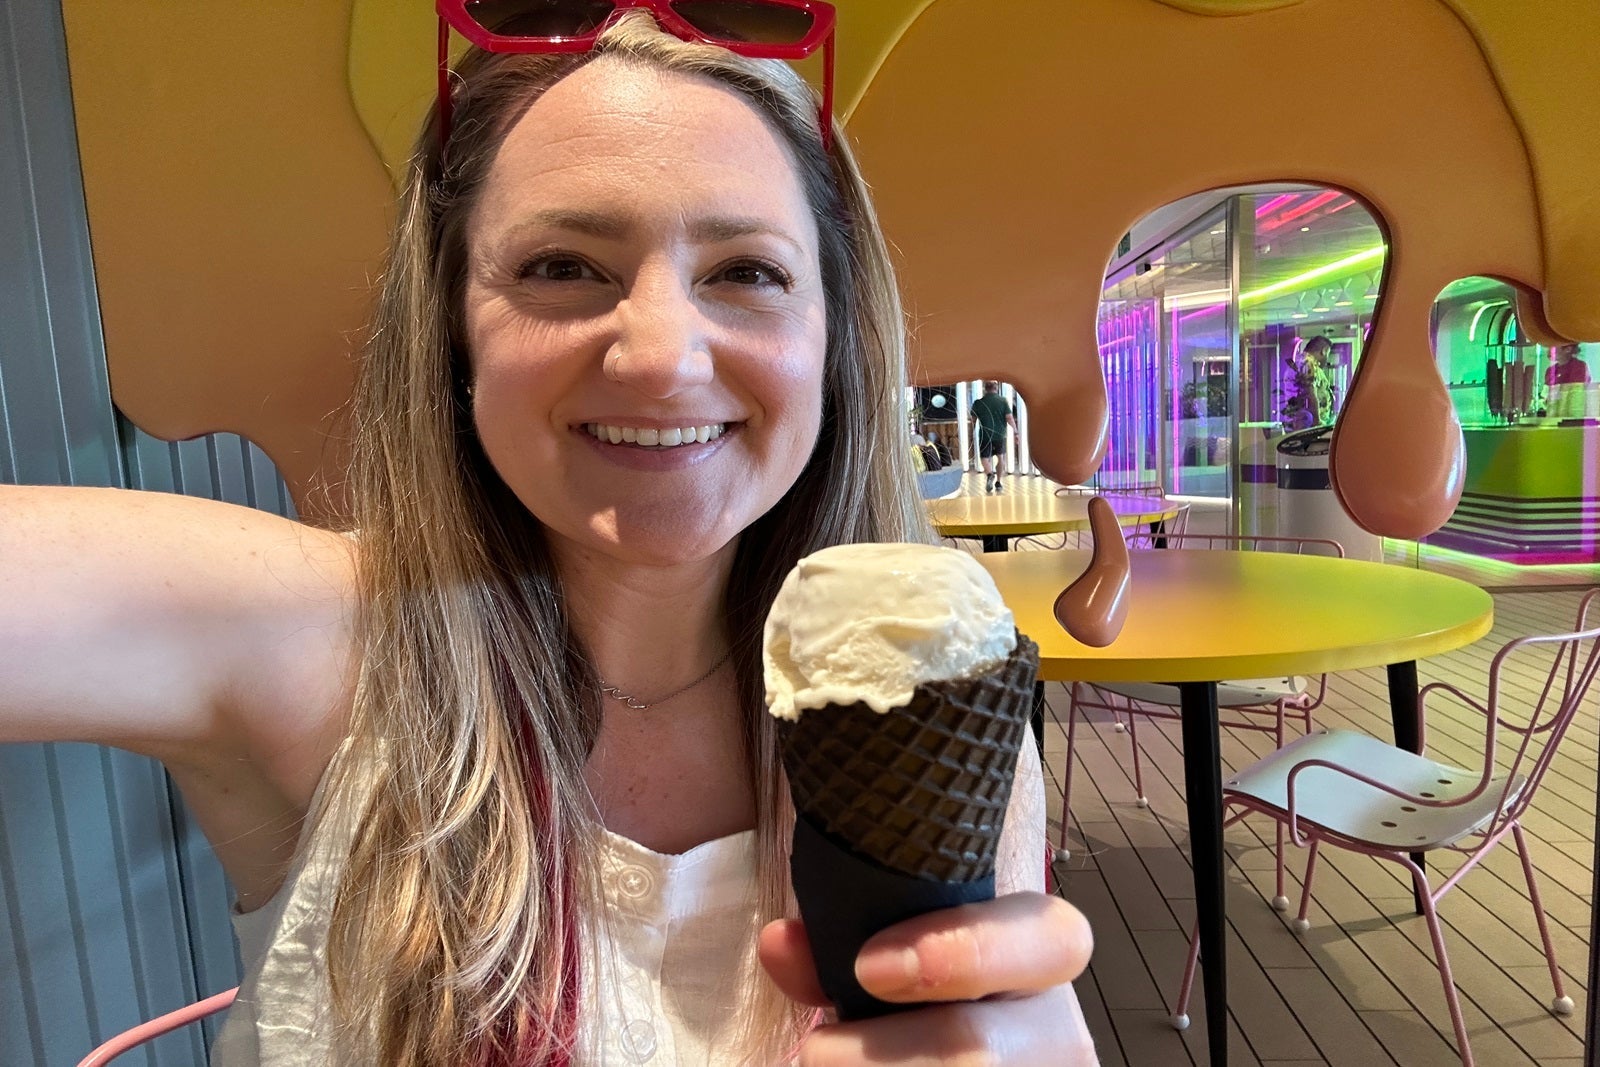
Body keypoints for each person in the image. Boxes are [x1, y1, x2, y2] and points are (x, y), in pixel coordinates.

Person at [0, 8, 1096, 1067]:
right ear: (453, 331)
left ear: (833, 336)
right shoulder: (312, 639)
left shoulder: (933, 680)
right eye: (563, 267)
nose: (664, 354)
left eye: (745, 272)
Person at [970, 380, 1017, 492]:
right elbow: (1009, 418)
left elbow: (973, 420)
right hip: (1000, 435)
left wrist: (972, 433)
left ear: (985, 389)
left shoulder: (978, 403)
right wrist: (1016, 431)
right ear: (996, 388)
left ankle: (990, 474)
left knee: (985, 458)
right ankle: (999, 482)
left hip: (985, 436)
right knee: (1001, 458)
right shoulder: (1003, 401)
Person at [1282, 335, 1336, 431]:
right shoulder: (1307, 363)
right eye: (1327, 353)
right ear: (1323, 351)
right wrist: (1317, 422)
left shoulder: (1301, 362)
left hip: (1304, 425)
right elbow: (1310, 394)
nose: (1327, 358)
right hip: (1309, 427)